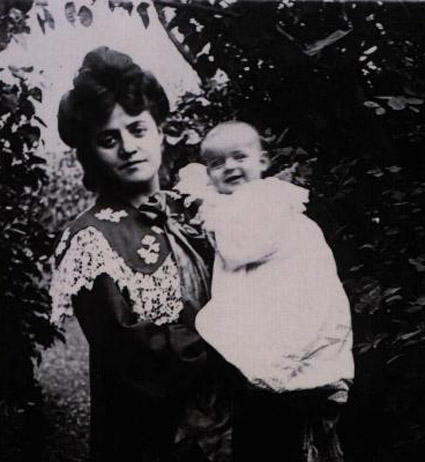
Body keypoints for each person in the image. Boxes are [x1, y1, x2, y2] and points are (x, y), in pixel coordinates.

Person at [49, 47, 232, 462]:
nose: (128, 147)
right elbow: (144, 357)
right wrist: (241, 345)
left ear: (160, 131)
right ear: (90, 152)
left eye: (138, 129)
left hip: (230, 426)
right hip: (148, 436)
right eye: (108, 139)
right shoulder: (90, 240)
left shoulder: (199, 210)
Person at [178, 121, 354, 461]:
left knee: (273, 426)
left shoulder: (263, 203)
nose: (229, 167)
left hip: (284, 317)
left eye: (239, 156)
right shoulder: (239, 204)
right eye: (216, 163)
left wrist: (210, 208)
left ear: (262, 161)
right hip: (262, 320)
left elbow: (242, 248)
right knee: (259, 428)